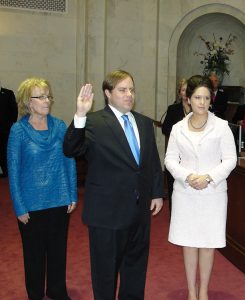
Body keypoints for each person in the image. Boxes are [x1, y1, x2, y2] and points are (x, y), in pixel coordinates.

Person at [63, 70, 164, 300]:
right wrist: (80, 114)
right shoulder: (93, 122)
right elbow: (70, 149)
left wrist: (157, 192)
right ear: (108, 93)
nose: (129, 94)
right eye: (122, 90)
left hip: (139, 213)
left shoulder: (144, 122)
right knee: (105, 274)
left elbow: (151, 162)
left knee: (136, 270)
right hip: (107, 214)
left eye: (131, 90)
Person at [164, 75, 237, 300]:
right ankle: (191, 291)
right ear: (188, 98)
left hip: (212, 194)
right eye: (197, 97)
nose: (202, 102)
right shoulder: (177, 128)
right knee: (188, 243)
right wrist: (187, 176)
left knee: (207, 244)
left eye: (206, 97)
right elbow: (169, 160)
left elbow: (230, 160)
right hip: (186, 193)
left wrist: (208, 177)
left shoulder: (222, 127)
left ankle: (203, 290)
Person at [7, 78, 77, 300]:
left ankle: (57, 290)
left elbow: (69, 161)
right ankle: (35, 294)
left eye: (49, 95)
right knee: (34, 255)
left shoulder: (59, 126)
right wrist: (19, 207)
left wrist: (72, 194)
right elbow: (14, 171)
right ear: (28, 102)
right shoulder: (18, 131)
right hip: (31, 204)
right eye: (42, 96)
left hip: (59, 199)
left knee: (58, 252)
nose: (47, 100)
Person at [162, 78, 190, 213]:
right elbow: (165, 128)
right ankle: (174, 214)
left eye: (188, 90)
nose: (185, 93)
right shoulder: (173, 109)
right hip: (176, 154)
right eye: (183, 90)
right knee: (174, 187)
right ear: (179, 93)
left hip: (191, 155)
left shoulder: (198, 108)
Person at [0, 83, 18, 177]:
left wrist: (9, 125)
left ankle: (7, 174)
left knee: (5, 152)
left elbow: (14, 110)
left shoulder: (8, 93)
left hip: (5, 131)